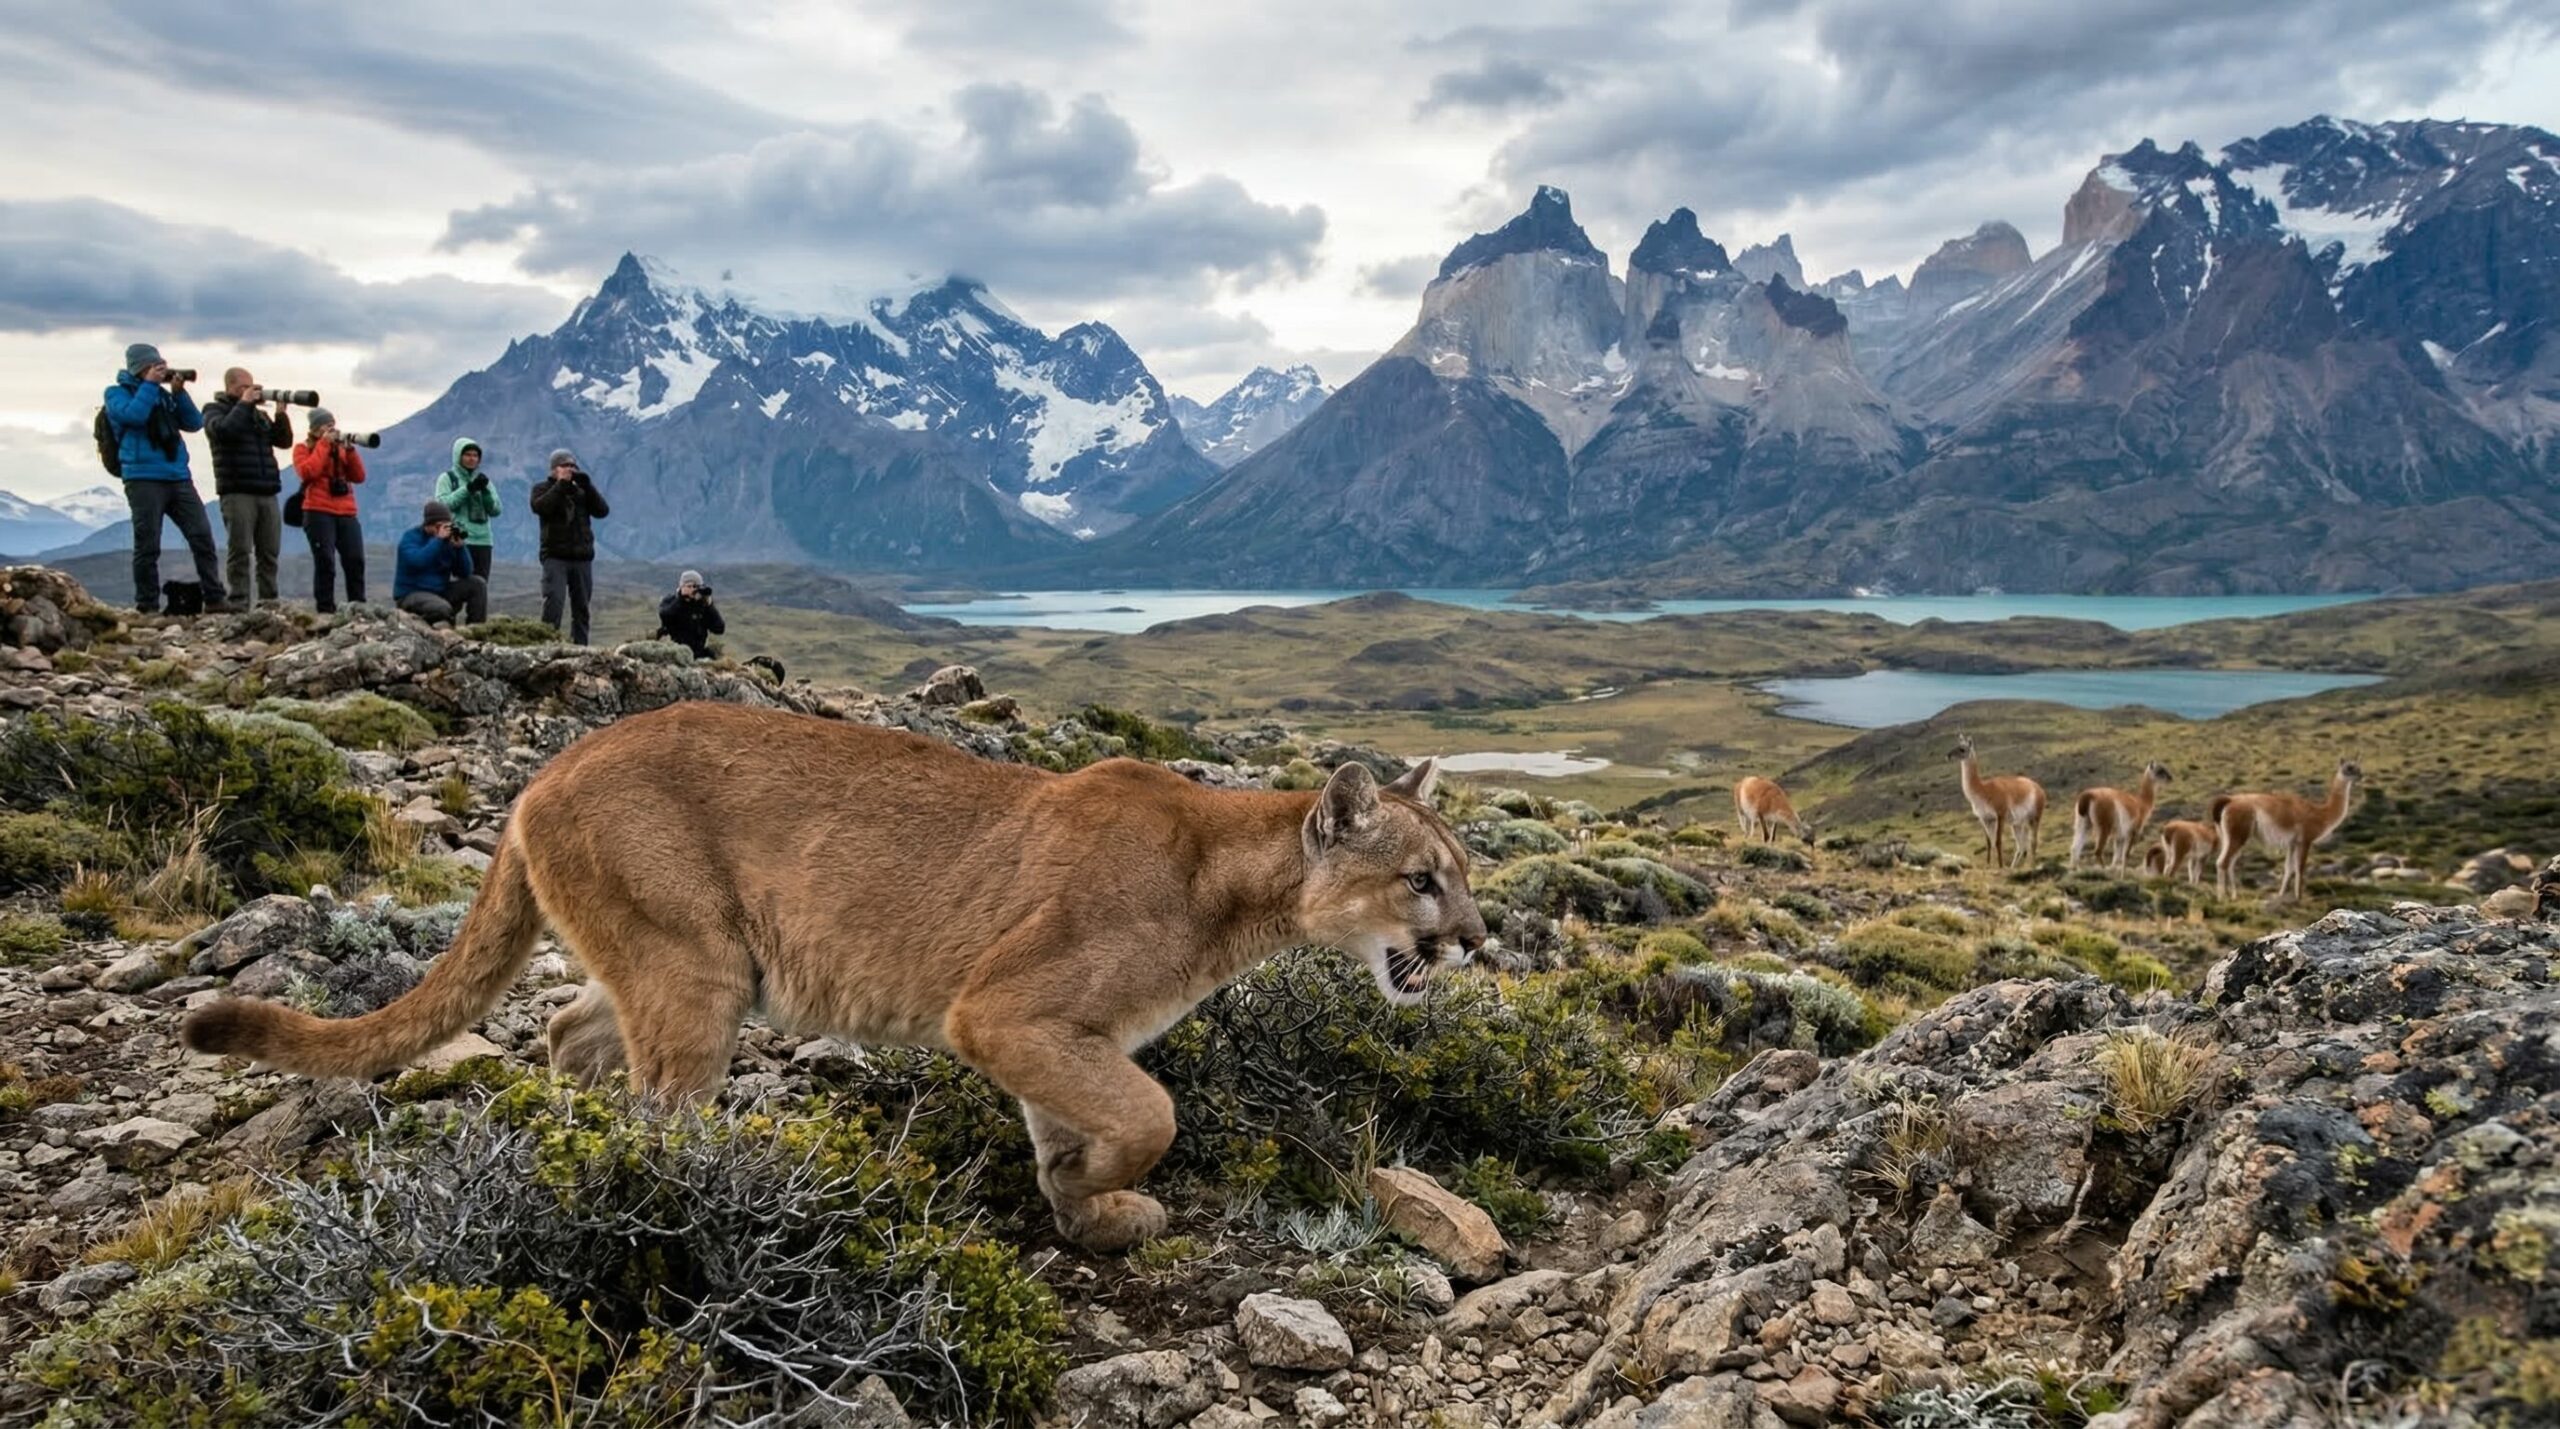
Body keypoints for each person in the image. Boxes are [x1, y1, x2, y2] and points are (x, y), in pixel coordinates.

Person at [104, 343, 229, 614]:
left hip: (178, 476)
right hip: (142, 477)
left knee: (202, 537)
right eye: (153, 366)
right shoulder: (116, 393)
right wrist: (149, 385)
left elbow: (194, 423)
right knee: (148, 543)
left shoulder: (163, 396)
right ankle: (147, 604)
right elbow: (134, 416)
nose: (159, 370)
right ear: (140, 368)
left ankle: (215, 597)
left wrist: (179, 392)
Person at [201, 368, 292, 610]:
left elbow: (283, 441)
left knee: (269, 551)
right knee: (240, 549)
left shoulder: (258, 415)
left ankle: (269, 601)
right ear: (230, 387)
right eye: (244, 387)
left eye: (251, 386)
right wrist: (244, 404)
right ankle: (239, 601)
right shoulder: (214, 410)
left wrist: (281, 414)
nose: (251, 391)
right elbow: (225, 432)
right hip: (236, 490)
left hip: (266, 490)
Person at [530, 448, 609, 644]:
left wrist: (588, 486)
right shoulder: (541, 489)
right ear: (553, 469)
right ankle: (546, 643)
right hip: (555, 556)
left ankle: (581, 647)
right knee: (554, 601)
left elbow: (602, 511)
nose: (570, 469)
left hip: (582, 558)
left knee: (582, 607)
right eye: (565, 466)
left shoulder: (582, 492)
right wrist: (561, 485)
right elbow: (541, 507)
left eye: (573, 466)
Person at [293, 407, 368, 612]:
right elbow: (309, 472)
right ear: (316, 429)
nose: (332, 429)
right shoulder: (303, 448)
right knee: (325, 561)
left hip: (346, 511)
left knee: (355, 560)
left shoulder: (341, 449)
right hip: (317, 510)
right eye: (327, 425)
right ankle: (325, 608)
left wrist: (350, 450)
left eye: (333, 424)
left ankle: (358, 606)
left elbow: (359, 476)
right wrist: (324, 445)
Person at [392, 501, 487, 626]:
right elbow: (418, 561)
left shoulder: (447, 542)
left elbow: (465, 572)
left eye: (446, 526)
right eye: (439, 526)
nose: (443, 530)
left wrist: (460, 548)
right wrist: (438, 540)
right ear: (428, 525)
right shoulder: (411, 538)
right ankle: (440, 631)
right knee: (442, 608)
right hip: (411, 594)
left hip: (439, 591)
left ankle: (475, 628)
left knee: (477, 584)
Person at [430, 437, 500, 585]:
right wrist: (468, 489)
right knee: (456, 584)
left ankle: (478, 609)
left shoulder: (485, 481)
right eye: (467, 455)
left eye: (475, 455)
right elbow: (443, 505)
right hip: (458, 539)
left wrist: (486, 493)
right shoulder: (447, 478)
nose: (472, 459)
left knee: (480, 585)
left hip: (483, 540)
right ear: (458, 456)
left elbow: (496, 510)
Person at [655, 569, 724, 658]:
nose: (693, 590)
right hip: (674, 651)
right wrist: (682, 599)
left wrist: (709, 606)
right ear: (681, 586)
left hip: (698, 654)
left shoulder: (702, 606)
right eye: (689, 586)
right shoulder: (671, 601)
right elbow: (665, 616)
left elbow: (719, 628)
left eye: (696, 587)